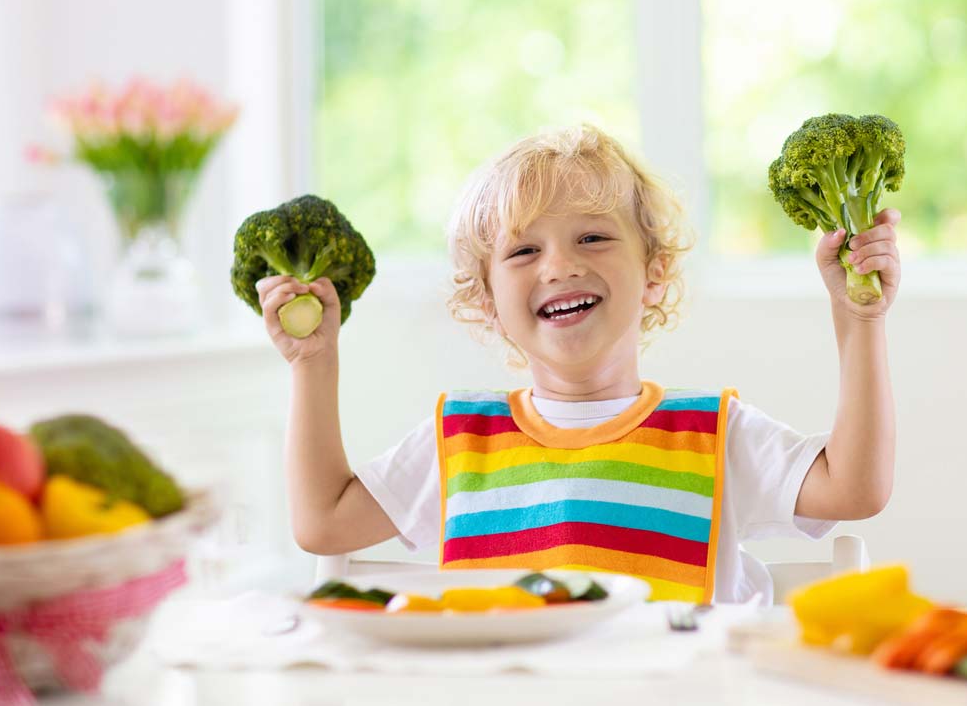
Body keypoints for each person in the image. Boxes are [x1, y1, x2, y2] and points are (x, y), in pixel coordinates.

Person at [256, 124, 899, 603]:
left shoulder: (712, 431)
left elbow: (855, 488)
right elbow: (322, 523)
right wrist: (314, 363)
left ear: (654, 273)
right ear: (486, 301)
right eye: (523, 251)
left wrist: (859, 320)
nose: (560, 265)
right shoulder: (460, 440)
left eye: (592, 237)